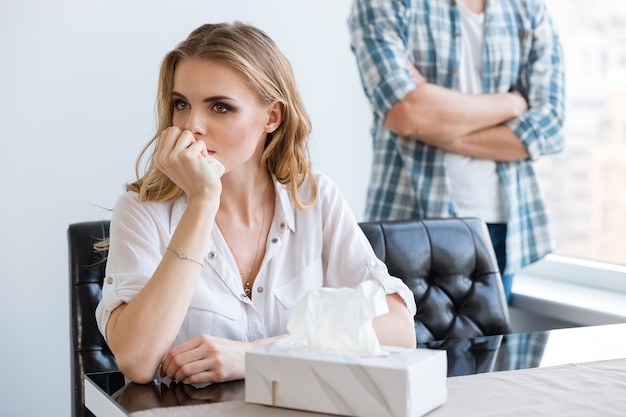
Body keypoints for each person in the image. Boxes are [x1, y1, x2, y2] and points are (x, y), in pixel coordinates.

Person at [95, 22, 417, 386]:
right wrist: (202, 201)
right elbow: (137, 361)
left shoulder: (314, 197)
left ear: (272, 117)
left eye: (219, 107)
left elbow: (399, 330)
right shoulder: (141, 210)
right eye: (181, 104)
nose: (192, 125)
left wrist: (258, 357)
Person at [347, 0, 566, 302]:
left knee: (488, 349)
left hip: (501, 228)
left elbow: (550, 126)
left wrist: (435, 123)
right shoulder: (386, 4)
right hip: (408, 221)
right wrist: (511, 103)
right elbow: (406, 112)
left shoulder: (528, 9)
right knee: (407, 347)